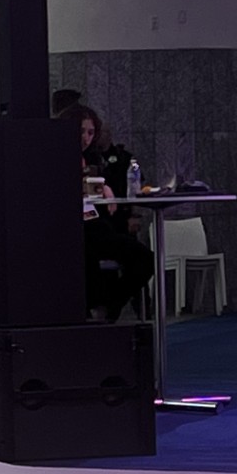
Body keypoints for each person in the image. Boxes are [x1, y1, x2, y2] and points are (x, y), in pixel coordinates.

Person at [59, 102, 152, 321]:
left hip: (94, 225)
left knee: (145, 258)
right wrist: (102, 187)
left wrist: (104, 187)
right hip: (73, 230)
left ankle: (110, 306)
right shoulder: (58, 158)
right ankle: (103, 309)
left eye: (90, 133)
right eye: (81, 131)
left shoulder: (91, 159)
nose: (86, 138)